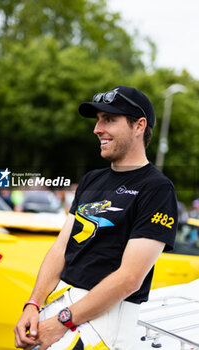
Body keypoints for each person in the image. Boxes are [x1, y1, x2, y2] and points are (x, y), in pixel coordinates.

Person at [14, 85, 178, 350]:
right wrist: (33, 304)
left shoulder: (157, 189)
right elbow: (61, 249)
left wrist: (61, 322)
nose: (97, 129)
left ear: (139, 126)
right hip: (62, 307)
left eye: (109, 120)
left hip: (102, 323)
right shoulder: (92, 179)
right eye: (98, 119)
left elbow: (129, 279)